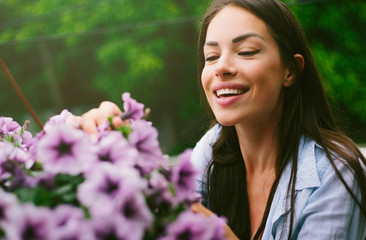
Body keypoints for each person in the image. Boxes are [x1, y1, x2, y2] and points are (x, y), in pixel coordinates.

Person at [73, 0, 366, 239]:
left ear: (290, 70)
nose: (221, 67)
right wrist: (120, 143)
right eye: (211, 56)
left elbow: (177, 205)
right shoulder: (211, 151)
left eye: (246, 51)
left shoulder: (335, 173)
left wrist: (206, 225)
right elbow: (157, 209)